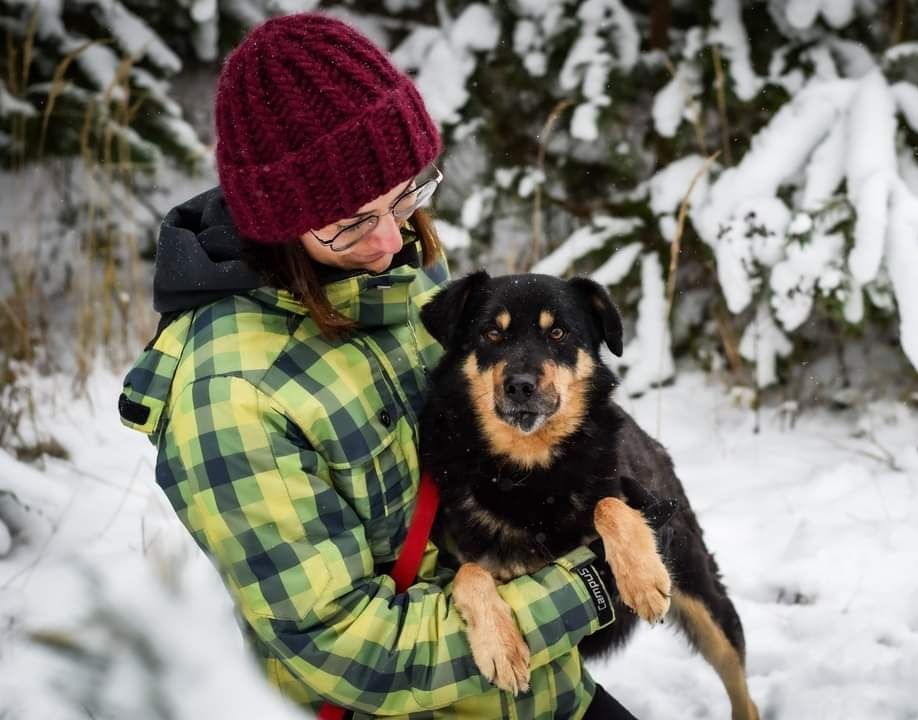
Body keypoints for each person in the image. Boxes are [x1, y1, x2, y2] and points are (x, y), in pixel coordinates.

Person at [118, 13, 640, 720]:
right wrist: (590, 589)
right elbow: (351, 650)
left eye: (407, 195)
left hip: (541, 682)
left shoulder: (396, 266)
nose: (392, 238)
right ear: (279, 219)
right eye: (352, 221)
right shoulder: (230, 398)